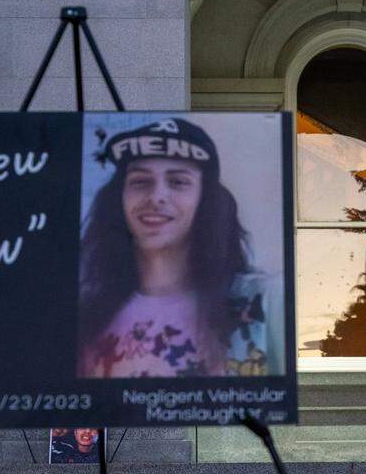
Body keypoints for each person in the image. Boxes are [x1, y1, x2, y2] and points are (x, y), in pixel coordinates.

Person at [77, 119, 274, 378]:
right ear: (119, 197)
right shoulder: (86, 316)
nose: (157, 196)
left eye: (178, 181)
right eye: (140, 181)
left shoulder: (263, 300)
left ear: (205, 200)